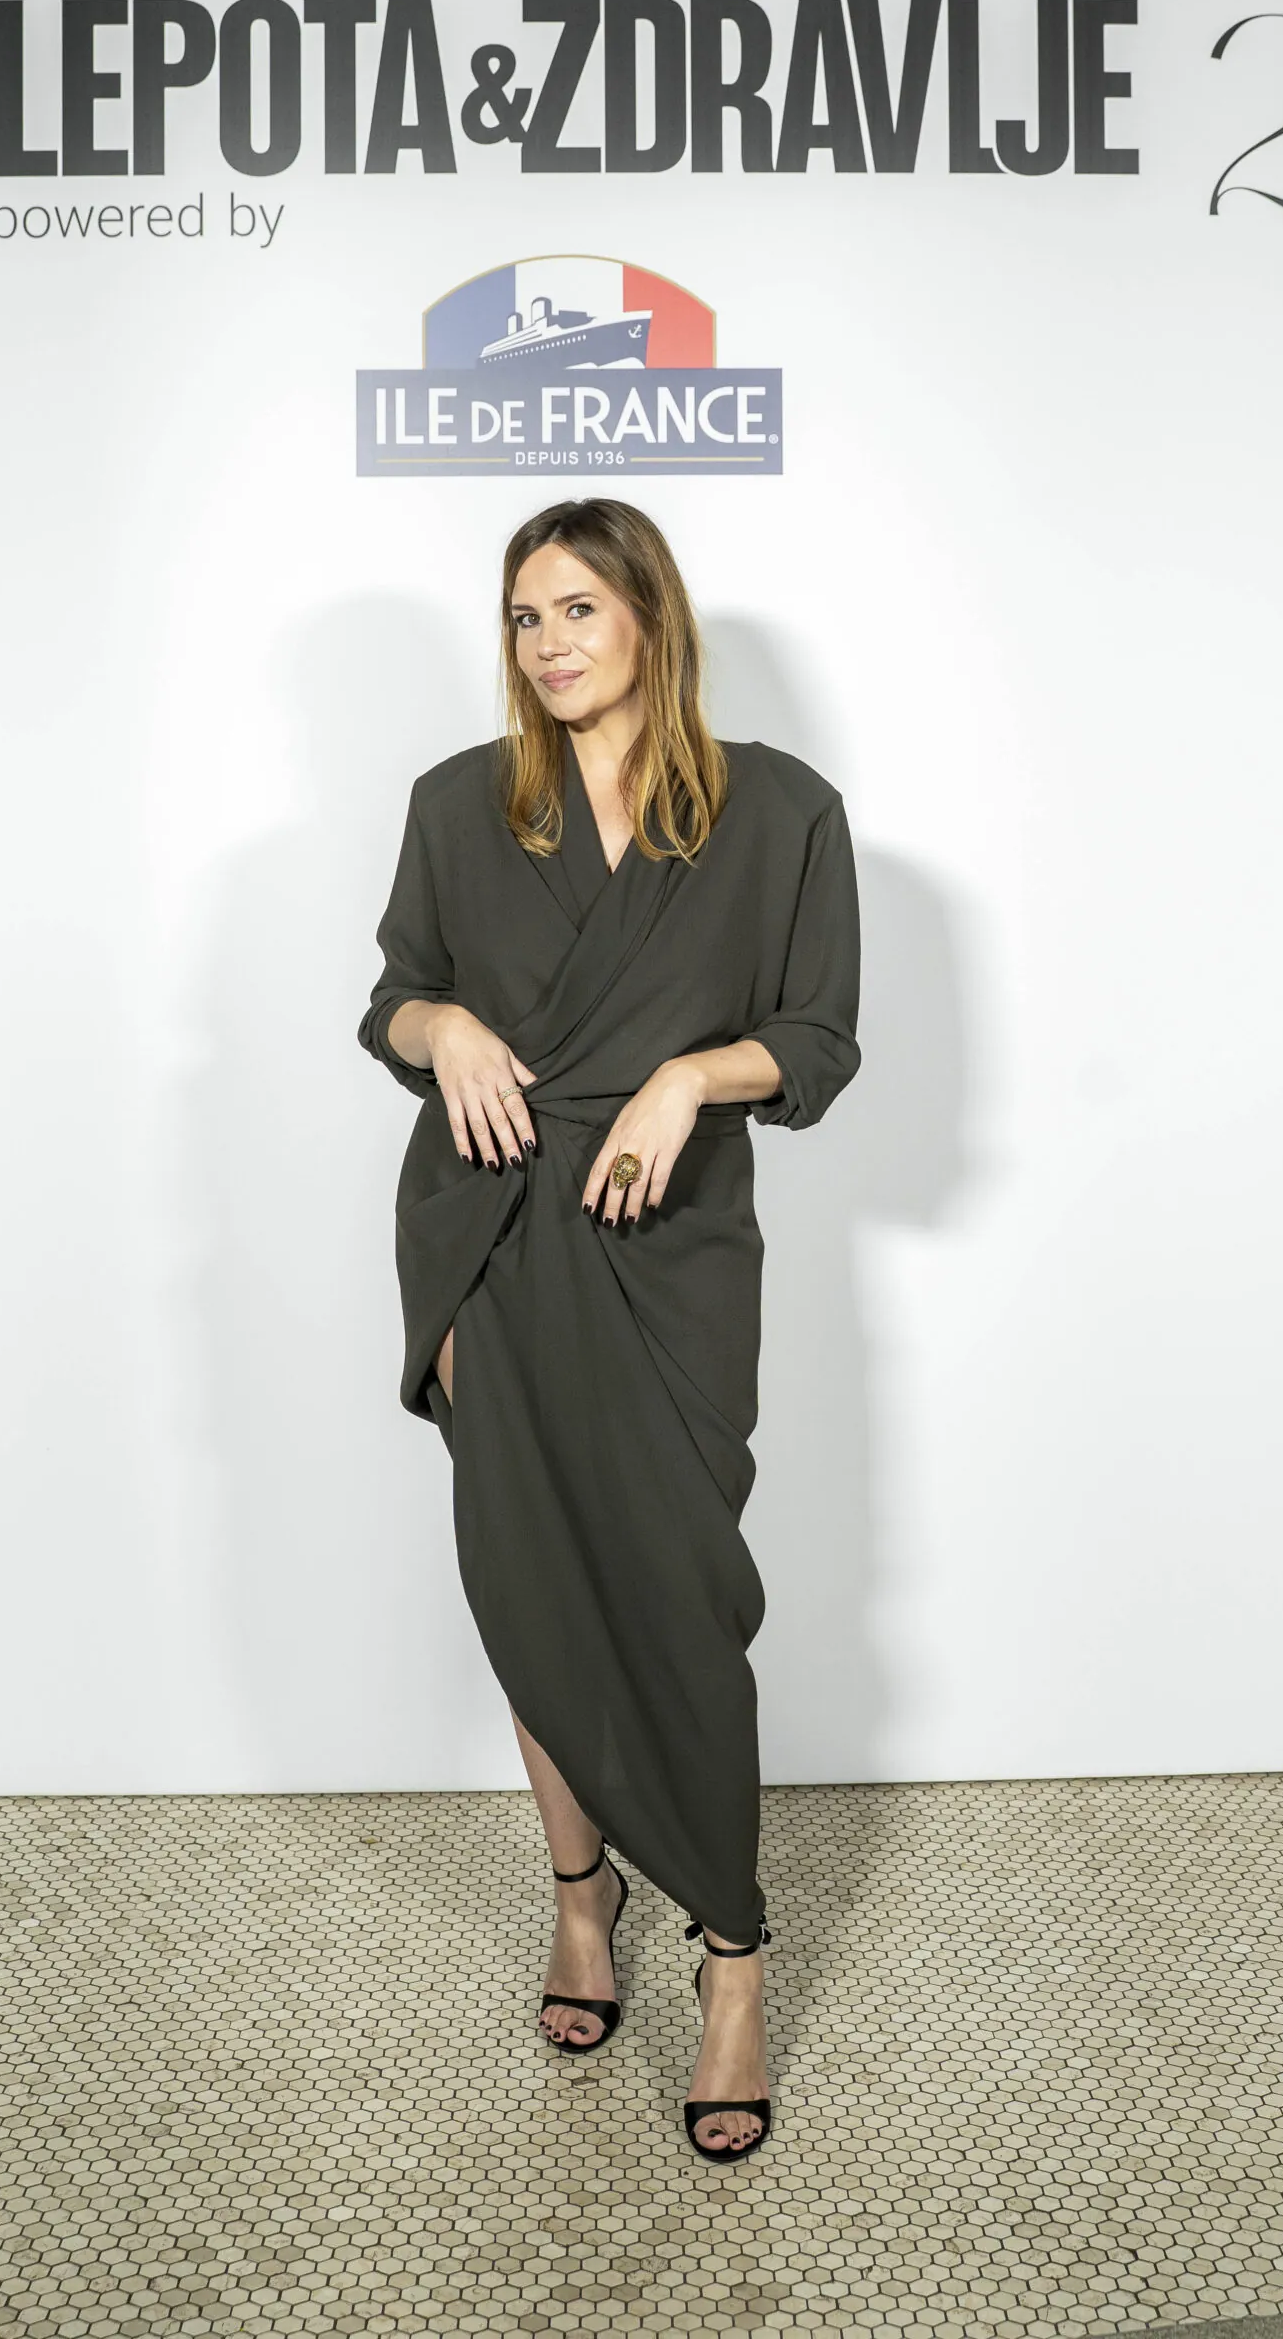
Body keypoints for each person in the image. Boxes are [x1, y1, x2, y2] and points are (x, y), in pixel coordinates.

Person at [358, 497, 860, 2160]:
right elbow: (392, 997)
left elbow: (817, 1038)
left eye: (577, 607)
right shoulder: (457, 802)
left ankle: (732, 1952)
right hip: (491, 1237)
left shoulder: (777, 810)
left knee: (678, 1601)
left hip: (669, 1250)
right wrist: (443, 1033)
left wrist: (686, 1077)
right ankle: (582, 1900)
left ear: (651, 614)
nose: (548, 643)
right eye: (523, 615)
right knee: (531, 1589)